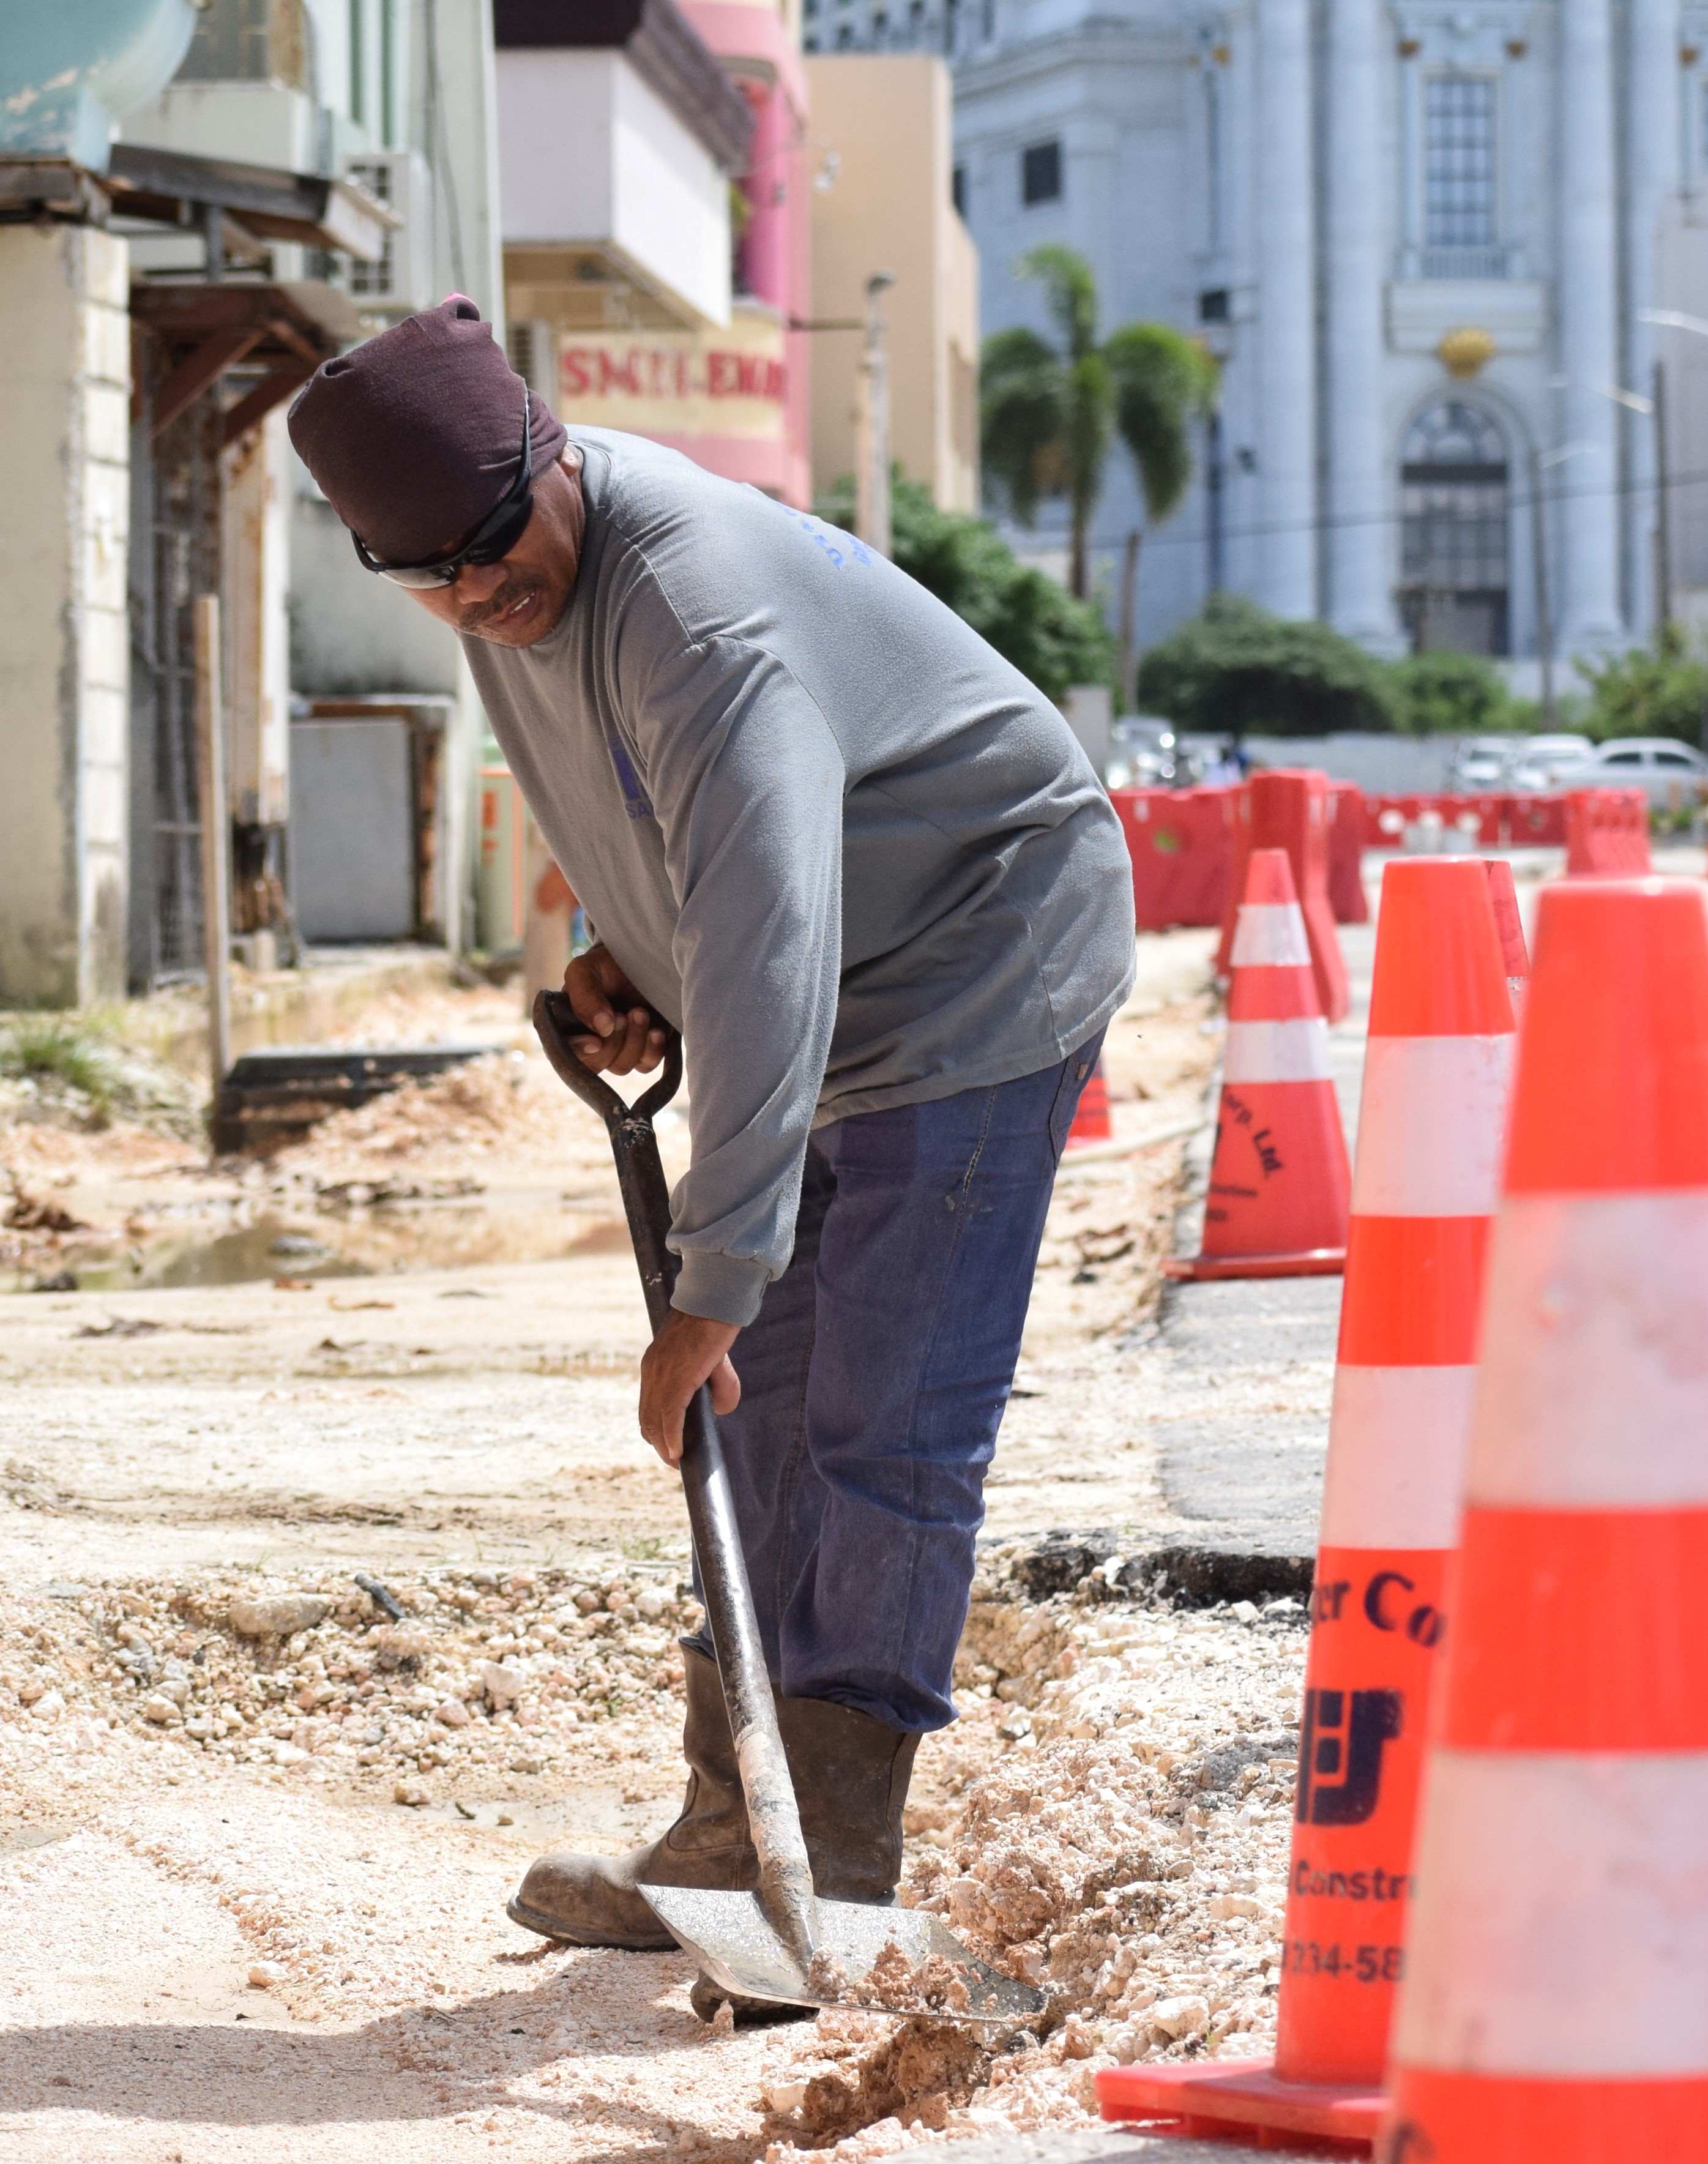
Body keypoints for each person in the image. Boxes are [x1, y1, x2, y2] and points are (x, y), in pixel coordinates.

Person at [287, 299, 1133, 2014]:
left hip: (977, 959)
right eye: (430, 578)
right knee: (765, 1426)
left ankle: (831, 1869)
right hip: (833, 968)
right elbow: (634, 810)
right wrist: (621, 951)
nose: (480, 596)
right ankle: (722, 1835)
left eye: (495, 550)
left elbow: (768, 937)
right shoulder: (497, 572)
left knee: (883, 1410)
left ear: (552, 452)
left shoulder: (694, 604)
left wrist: (709, 1282)